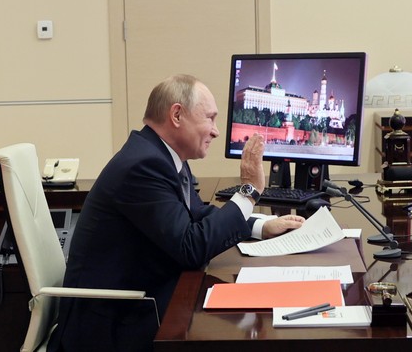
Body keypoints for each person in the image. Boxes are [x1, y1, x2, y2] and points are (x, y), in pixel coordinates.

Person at [48, 74, 305, 352]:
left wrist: (260, 226)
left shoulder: (160, 155)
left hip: (141, 300)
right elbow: (190, 247)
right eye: (210, 118)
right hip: (112, 325)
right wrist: (248, 193)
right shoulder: (143, 165)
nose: (216, 131)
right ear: (177, 115)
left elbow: (196, 215)